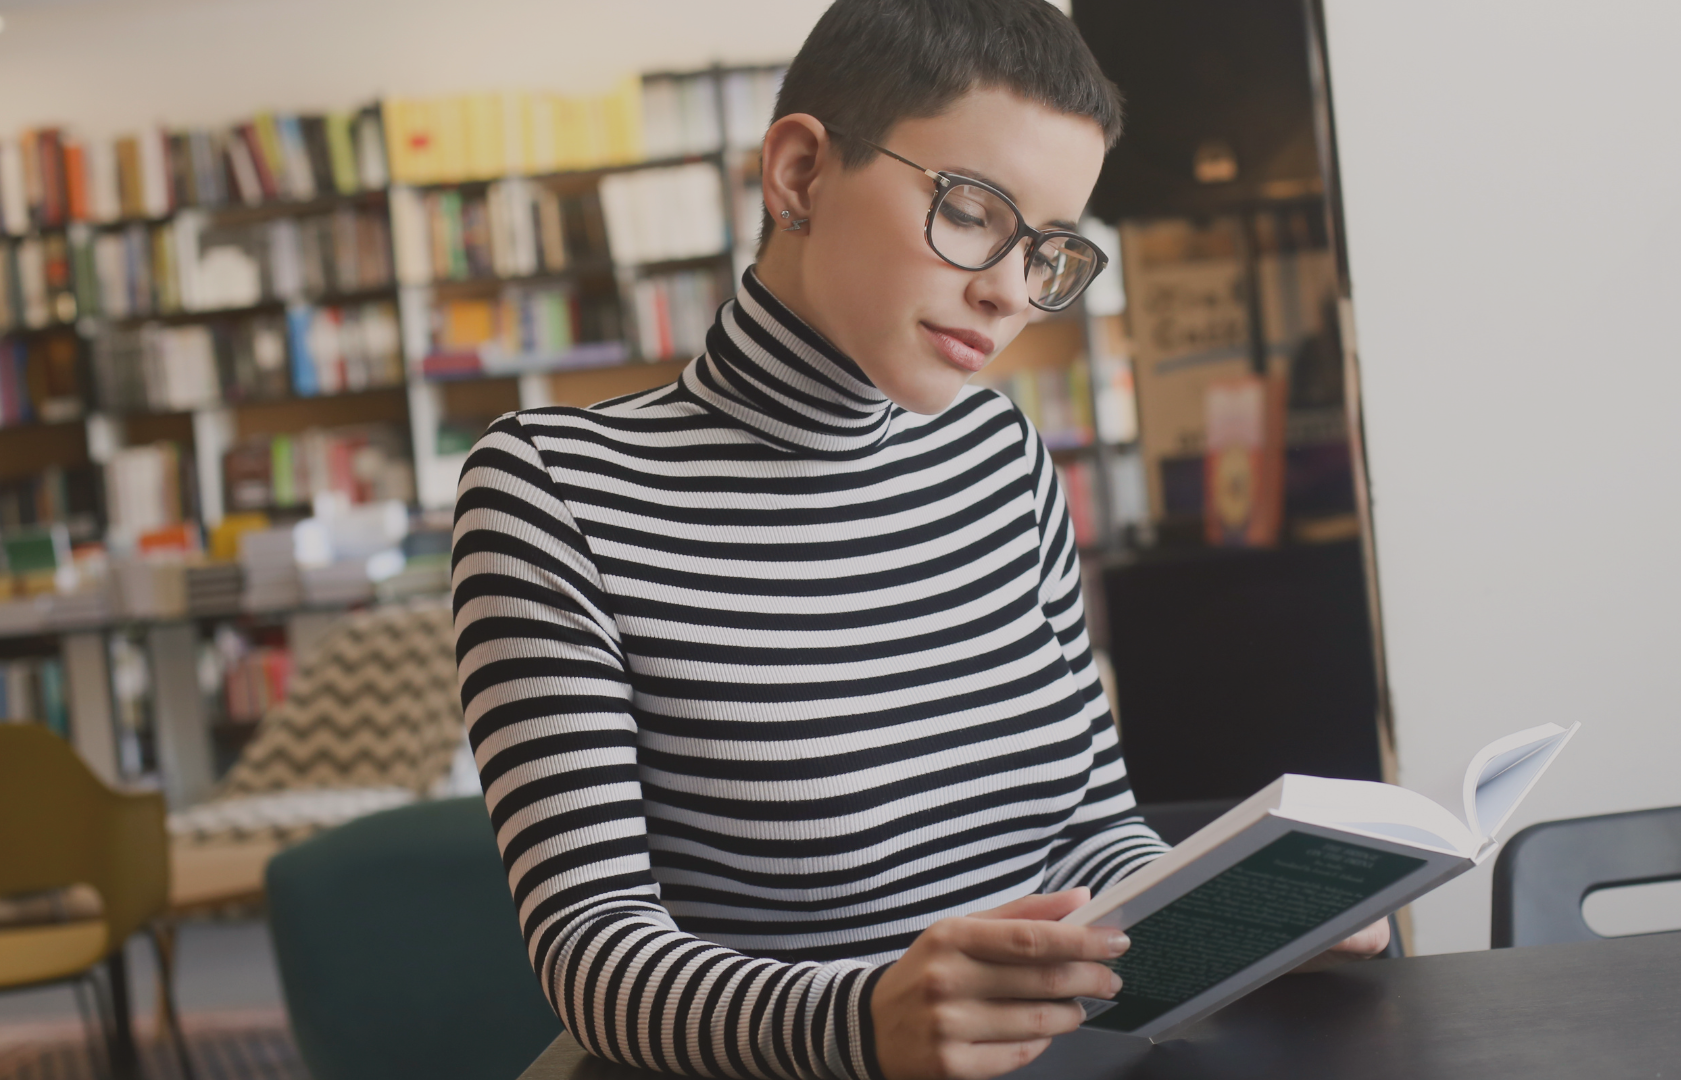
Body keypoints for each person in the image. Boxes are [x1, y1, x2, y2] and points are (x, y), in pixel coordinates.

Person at [450, 2, 1388, 1079]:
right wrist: (863, 1021)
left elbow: (1091, 830)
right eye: (974, 211)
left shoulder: (999, 451)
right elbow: (594, 954)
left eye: (1048, 250)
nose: (1006, 292)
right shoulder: (553, 490)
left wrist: (1248, 918)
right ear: (800, 173)